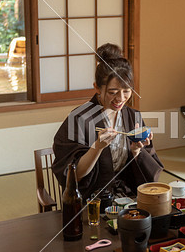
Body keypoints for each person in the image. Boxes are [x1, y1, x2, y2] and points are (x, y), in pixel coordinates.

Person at [52, 43, 164, 200]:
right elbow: (73, 176)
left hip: (127, 198)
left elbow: (148, 174)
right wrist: (97, 148)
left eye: (126, 92)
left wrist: (136, 151)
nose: (120, 99)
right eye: (113, 92)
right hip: (93, 202)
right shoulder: (79, 119)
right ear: (97, 87)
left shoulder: (133, 116)